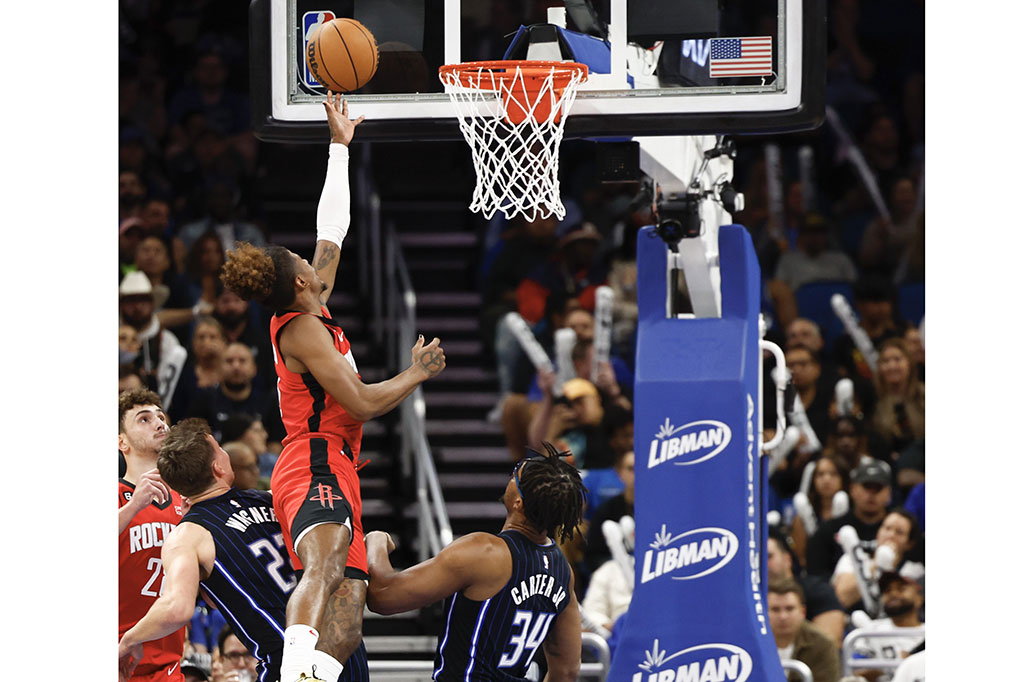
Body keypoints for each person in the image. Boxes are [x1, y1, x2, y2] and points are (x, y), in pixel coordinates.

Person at [219, 94, 446, 682]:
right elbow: (365, 400)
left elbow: (332, 230)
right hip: (312, 459)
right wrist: (416, 373)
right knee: (320, 569)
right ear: (299, 281)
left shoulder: (311, 299)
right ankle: (295, 667)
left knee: (349, 616)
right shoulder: (300, 329)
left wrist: (339, 148)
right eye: (302, 260)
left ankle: (313, 673)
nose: (310, 257)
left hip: (340, 464)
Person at [117, 418, 369, 682]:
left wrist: (128, 640)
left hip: (288, 662)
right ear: (218, 466)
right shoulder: (272, 499)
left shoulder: (189, 535)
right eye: (220, 449)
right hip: (341, 645)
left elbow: (176, 608)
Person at [364, 443, 584, 682]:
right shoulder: (564, 572)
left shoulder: (485, 552)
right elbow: (567, 670)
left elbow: (383, 596)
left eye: (515, 474)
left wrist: (376, 542)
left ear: (519, 502)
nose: (510, 477)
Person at [118, 388, 186, 681]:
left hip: (168, 662)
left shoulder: (187, 500)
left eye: (161, 417)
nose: (159, 423)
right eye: (144, 419)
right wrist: (134, 505)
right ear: (121, 441)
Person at [120, 271, 189, 409]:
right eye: (131, 300)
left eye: (142, 300)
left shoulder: (166, 340)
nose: (137, 307)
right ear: (120, 304)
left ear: (152, 303)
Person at [832, 509, 923, 611]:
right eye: (887, 528)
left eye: (899, 532)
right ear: (878, 532)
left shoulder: (916, 570)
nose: (891, 535)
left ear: (909, 544)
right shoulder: (851, 558)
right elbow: (842, 599)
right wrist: (876, 563)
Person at [766, 532, 845, 647]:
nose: (761, 562)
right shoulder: (743, 598)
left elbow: (828, 646)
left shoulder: (818, 590)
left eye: (768, 556)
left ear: (787, 559)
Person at [849, 573, 925, 682]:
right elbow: (855, 672)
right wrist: (885, 669)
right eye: (887, 591)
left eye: (901, 589)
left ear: (919, 598)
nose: (893, 594)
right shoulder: (870, 631)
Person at [767, 579, 841, 682]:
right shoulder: (753, 642)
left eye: (789, 609)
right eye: (775, 609)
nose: (783, 616)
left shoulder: (822, 644)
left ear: (802, 611)